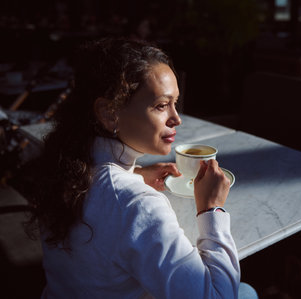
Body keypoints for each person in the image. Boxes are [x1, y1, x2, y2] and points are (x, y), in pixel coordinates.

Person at [26, 37, 257, 298]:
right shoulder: (137, 204)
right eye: (161, 105)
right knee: (244, 292)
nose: (177, 118)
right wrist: (211, 208)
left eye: (175, 103)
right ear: (109, 113)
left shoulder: (65, 168)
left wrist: (134, 174)